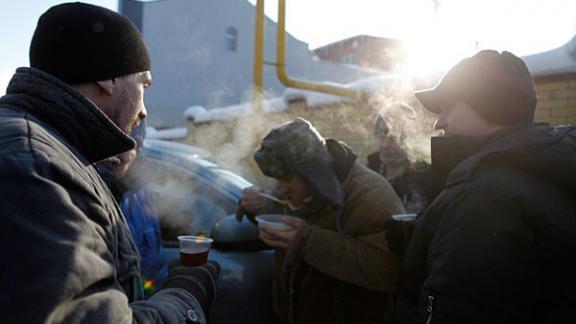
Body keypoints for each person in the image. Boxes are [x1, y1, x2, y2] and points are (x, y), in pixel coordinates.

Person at [0, 3, 218, 323]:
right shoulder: (35, 165)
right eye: (143, 84)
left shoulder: (52, 152)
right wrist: (185, 299)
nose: (143, 110)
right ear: (108, 79)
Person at [396, 50, 576, 324]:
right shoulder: (541, 167)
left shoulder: (484, 197)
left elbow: (458, 308)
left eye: (450, 106)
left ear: (489, 104)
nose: (439, 121)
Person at [238, 117, 406, 324]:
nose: (280, 189)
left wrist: (307, 241)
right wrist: (258, 206)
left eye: (288, 180)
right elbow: (286, 213)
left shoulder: (370, 197)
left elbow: (388, 270)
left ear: (313, 174)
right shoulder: (305, 185)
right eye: (278, 180)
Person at [97, 121, 169, 297]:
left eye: (130, 143)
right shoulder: (84, 191)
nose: (120, 151)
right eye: (112, 139)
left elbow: (155, 264)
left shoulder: (141, 195)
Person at [367, 103, 431, 213]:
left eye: (394, 137)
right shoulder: (368, 174)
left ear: (411, 136)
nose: (386, 145)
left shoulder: (427, 176)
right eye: (381, 136)